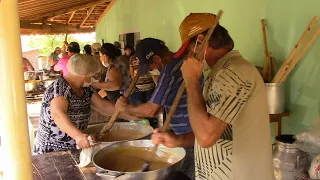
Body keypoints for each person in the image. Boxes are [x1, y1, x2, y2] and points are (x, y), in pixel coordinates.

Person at [155, 13, 274, 180]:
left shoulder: (233, 73)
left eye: (189, 51)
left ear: (201, 42)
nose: (188, 57)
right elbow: (213, 129)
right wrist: (177, 140)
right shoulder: (219, 73)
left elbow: (206, 137)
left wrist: (191, 80)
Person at [115, 38, 203, 179]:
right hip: (194, 131)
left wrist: (125, 107)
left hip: (188, 136)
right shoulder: (187, 62)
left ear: (157, 59)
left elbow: (151, 110)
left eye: (150, 66)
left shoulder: (170, 70)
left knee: (187, 175)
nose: (151, 70)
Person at [33, 54, 139, 155]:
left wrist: (134, 117)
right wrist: (78, 136)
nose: (96, 79)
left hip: (74, 147)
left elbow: (104, 106)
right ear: (84, 76)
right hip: (51, 151)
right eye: (93, 76)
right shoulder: (60, 89)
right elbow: (58, 114)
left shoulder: (86, 89)